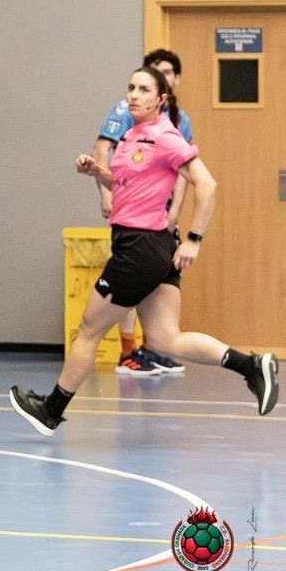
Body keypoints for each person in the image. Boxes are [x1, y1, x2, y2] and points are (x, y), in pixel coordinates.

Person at [10, 66, 276, 435]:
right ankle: (252, 366)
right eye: (131, 88)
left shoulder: (166, 137)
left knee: (89, 328)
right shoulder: (133, 136)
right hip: (149, 248)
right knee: (167, 339)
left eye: (144, 89)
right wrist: (98, 172)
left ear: (161, 99)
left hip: (140, 247)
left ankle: (51, 409)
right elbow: (127, 181)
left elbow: (207, 184)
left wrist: (194, 239)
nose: (134, 95)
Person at [92, 49, 191, 376]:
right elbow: (103, 149)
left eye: (167, 71)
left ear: (173, 81)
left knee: (156, 290)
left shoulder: (180, 121)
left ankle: (156, 347)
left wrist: (176, 212)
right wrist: (107, 194)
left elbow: (187, 172)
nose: (137, 94)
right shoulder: (126, 113)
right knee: (129, 287)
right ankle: (128, 351)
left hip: (160, 221)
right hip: (133, 220)